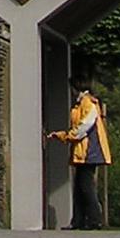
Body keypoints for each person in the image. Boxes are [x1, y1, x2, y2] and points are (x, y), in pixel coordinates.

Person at [47, 83, 110, 229]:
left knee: (86, 187)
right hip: (83, 152)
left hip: (90, 152)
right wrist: (62, 135)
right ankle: (78, 221)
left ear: (77, 89)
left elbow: (83, 128)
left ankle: (94, 220)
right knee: (80, 187)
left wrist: (66, 136)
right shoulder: (80, 104)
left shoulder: (88, 104)